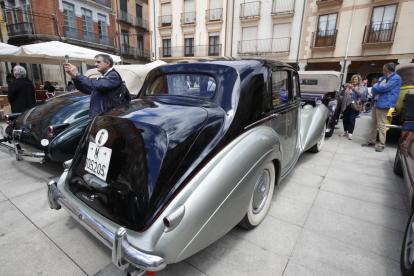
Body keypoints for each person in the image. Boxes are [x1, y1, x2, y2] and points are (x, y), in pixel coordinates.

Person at [64, 54, 122, 118]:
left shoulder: (112, 75)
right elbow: (87, 89)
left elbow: (97, 86)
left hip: (105, 117)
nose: (96, 64)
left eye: (98, 62)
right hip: (99, 116)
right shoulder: (105, 76)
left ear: (108, 63)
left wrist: (78, 74)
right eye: (96, 62)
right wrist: (74, 77)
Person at [362, 63, 402, 152]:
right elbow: (376, 88)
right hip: (376, 102)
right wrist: (377, 87)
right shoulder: (384, 78)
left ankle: (382, 144)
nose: (383, 71)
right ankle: (372, 141)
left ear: (386, 70)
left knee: (381, 124)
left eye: (383, 70)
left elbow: (385, 88)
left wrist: (376, 87)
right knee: (373, 123)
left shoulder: (396, 78)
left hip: (384, 103)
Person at [339, 74, 365, 140]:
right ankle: (345, 131)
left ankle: (350, 133)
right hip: (345, 105)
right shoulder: (348, 86)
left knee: (351, 119)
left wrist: (353, 89)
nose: (354, 80)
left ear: (359, 80)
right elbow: (341, 94)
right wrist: (344, 88)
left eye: (356, 79)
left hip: (354, 105)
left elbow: (359, 94)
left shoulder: (361, 87)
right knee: (345, 119)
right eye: (353, 79)